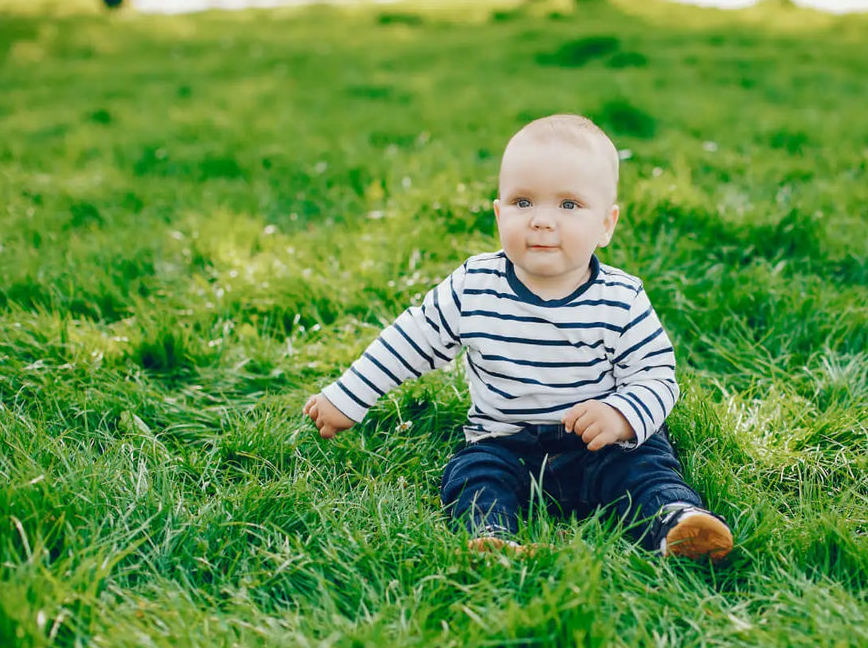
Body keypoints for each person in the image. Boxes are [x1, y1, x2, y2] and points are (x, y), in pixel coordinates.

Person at [303, 114, 733, 561]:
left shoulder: (620, 298)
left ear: (607, 224)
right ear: (498, 212)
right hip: (506, 441)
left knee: (646, 468)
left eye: (568, 205)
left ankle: (677, 523)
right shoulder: (474, 287)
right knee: (475, 476)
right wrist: (346, 398)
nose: (542, 221)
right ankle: (492, 534)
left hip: (601, 445)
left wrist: (621, 415)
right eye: (523, 202)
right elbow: (410, 342)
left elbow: (657, 375)